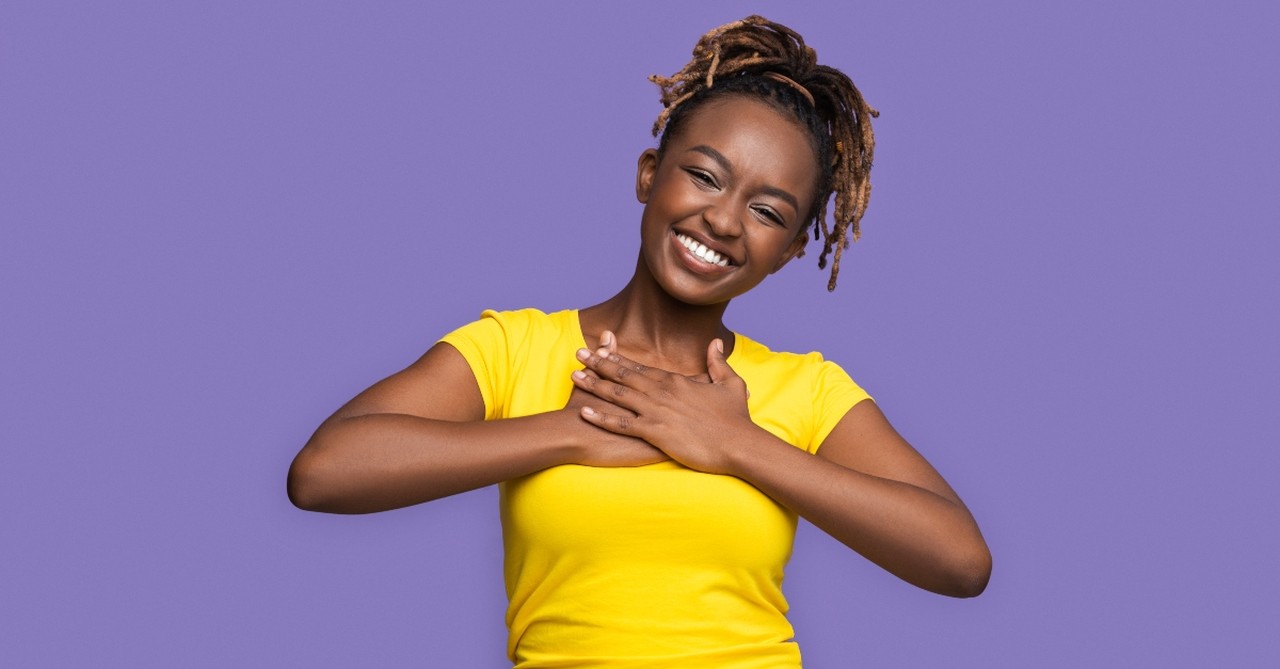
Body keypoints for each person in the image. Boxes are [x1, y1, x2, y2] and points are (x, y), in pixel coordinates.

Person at [288, 15, 991, 668]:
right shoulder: (517, 348)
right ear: (649, 174)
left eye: (767, 210)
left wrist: (738, 444)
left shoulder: (803, 389)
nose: (723, 220)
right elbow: (323, 472)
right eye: (705, 175)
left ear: (787, 250)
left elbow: (961, 560)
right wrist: (571, 432)